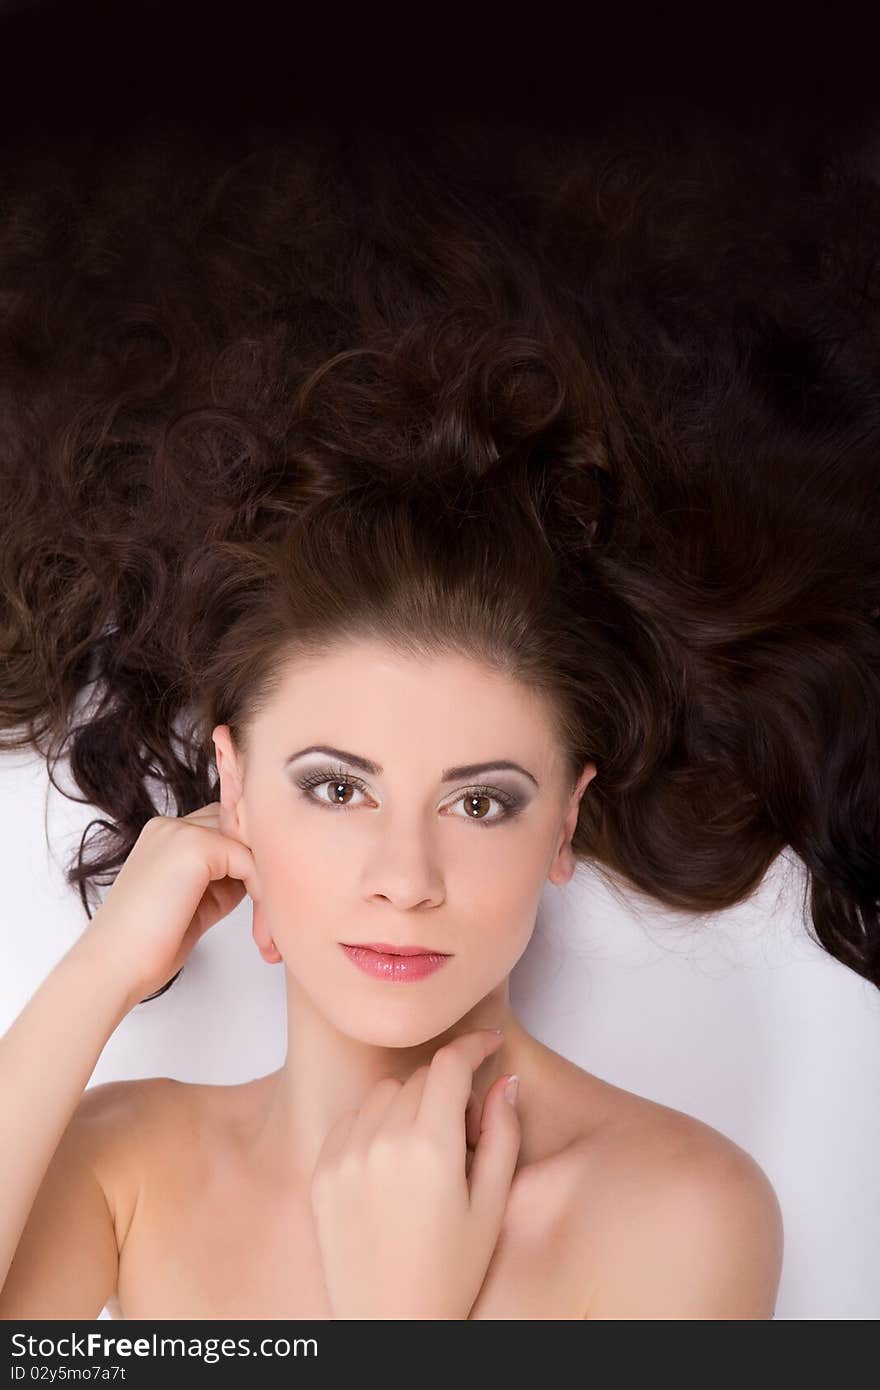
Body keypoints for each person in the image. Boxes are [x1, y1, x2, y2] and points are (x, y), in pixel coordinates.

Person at [0, 114, 877, 1319]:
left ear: (564, 823)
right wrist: (99, 972)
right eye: (336, 785)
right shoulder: (122, 1164)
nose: (405, 878)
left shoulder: (681, 1213)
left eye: (480, 800)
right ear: (235, 789)